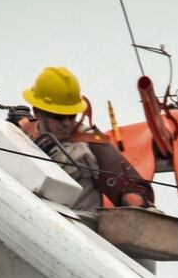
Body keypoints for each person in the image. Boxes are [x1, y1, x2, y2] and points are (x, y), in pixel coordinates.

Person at [16, 66, 154, 211]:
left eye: (72, 116)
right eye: (59, 117)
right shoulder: (21, 135)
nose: (67, 123)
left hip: (81, 225)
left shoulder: (90, 143)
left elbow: (133, 194)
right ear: (38, 112)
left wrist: (140, 204)